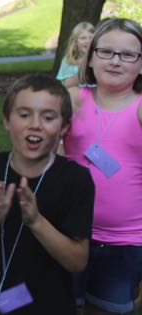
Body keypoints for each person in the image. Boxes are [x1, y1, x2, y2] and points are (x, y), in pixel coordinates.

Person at [0, 74, 95, 315]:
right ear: (7, 121)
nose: (35, 124)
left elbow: (77, 261)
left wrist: (36, 221)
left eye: (48, 117)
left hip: (48, 305)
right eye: (24, 114)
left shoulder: (76, 180)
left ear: (64, 127)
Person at [63, 18, 142, 315]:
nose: (115, 61)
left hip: (125, 241)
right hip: (67, 232)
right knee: (59, 304)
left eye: (128, 54)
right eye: (106, 51)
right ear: (91, 57)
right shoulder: (72, 100)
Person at [56, 21, 95, 88]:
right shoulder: (69, 60)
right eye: (83, 38)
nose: (88, 41)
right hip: (77, 93)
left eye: (91, 38)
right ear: (75, 42)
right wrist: (82, 71)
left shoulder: (100, 59)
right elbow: (66, 85)